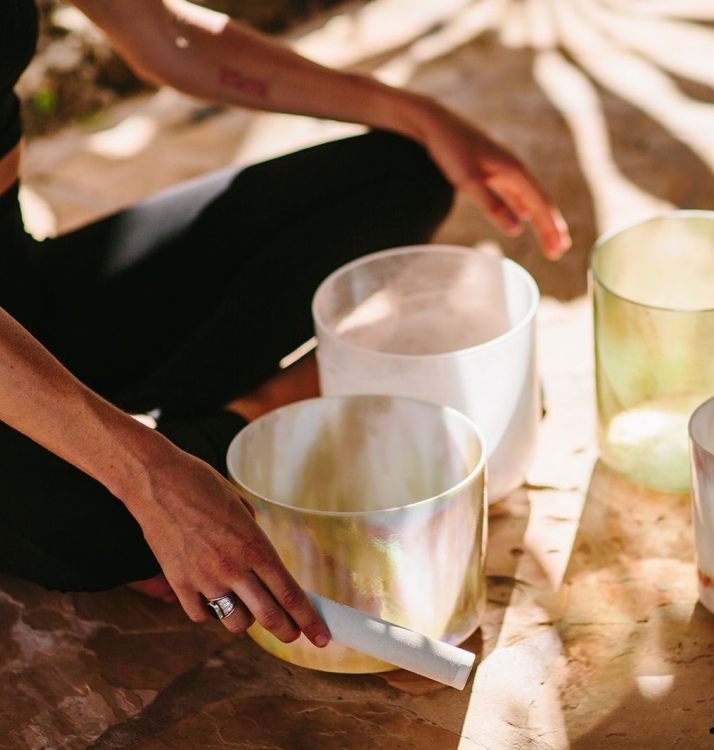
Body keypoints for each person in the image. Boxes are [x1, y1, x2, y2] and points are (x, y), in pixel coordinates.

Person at [0, 0, 569, 649]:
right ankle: (252, 419)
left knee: (404, 172)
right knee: (93, 529)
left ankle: (225, 426)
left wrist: (417, 113)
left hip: (22, 279)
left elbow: (162, 31)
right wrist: (144, 475)